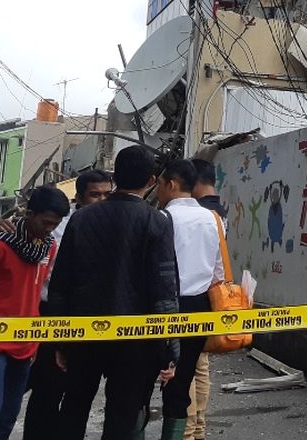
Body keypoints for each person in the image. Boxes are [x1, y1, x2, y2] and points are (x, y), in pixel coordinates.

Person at [49, 146, 180, 440]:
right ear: (151, 179)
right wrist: (169, 350)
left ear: (115, 176)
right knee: (122, 418)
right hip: (134, 341)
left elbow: (61, 282)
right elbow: (164, 290)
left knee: (73, 409)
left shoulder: (81, 219)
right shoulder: (157, 221)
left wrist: (59, 340)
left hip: (83, 335)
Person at [0, 186, 70, 440]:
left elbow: (37, 293)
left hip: (25, 342)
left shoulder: (47, 247)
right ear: (29, 214)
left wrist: (36, 339)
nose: (50, 228)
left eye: (55, 224)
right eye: (45, 222)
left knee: (8, 416)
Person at [21, 169, 112, 440]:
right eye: (95, 194)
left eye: (107, 194)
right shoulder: (59, 226)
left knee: (80, 393)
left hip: (91, 317)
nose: (102, 200)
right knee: (47, 389)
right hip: (52, 312)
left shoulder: (111, 225)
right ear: (80, 198)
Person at [156, 159, 223, 440]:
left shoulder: (162, 219)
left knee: (142, 382)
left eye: (159, 185)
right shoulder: (214, 219)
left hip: (164, 306)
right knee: (181, 384)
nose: (158, 191)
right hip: (200, 307)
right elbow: (219, 271)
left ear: (171, 185)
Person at [184, 160, 224, 440]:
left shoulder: (198, 213)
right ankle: (199, 429)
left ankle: (187, 432)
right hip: (211, 297)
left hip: (190, 297)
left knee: (185, 367)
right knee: (201, 367)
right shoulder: (219, 212)